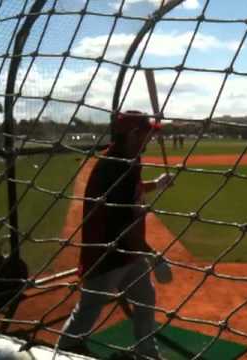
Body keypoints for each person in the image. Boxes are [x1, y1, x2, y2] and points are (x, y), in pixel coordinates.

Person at [58, 111, 174, 359]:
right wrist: (155, 256)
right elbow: (125, 227)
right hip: (106, 254)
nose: (149, 138)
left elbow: (134, 190)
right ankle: (62, 352)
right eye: (146, 133)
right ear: (133, 135)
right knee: (88, 311)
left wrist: (157, 183)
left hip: (127, 252)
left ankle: (146, 352)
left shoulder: (130, 157)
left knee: (145, 298)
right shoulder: (114, 166)